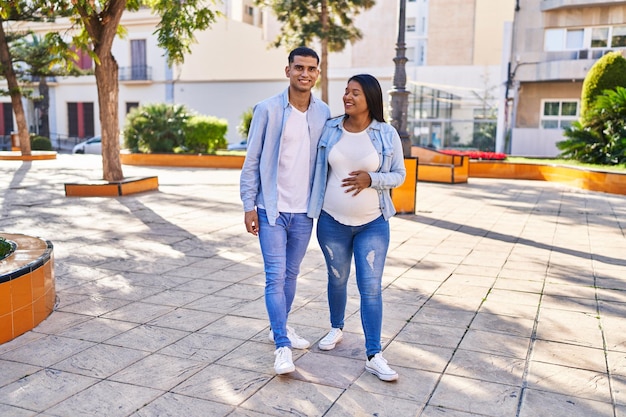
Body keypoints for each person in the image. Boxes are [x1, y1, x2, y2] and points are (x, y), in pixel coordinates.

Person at [308, 74, 406, 382]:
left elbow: (399, 174)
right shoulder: (331, 129)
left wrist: (372, 179)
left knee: (371, 289)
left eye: (355, 93)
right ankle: (336, 327)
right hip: (331, 221)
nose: (347, 97)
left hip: (372, 224)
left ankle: (374, 354)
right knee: (337, 280)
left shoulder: (386, 134)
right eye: (346, 92)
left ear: (370, 99)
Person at [239, 47, 331, 375]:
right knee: (274, 276)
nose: (305, 74)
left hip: (305, 211)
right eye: (299, 68)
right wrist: (248, 204)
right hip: (271, 210)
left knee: (291, 276)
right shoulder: (266, 110)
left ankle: (280, 325)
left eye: (311, 69)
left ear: (317, 74)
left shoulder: (323, 113)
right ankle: (281, 344)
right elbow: (252, 160)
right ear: (287, 70)